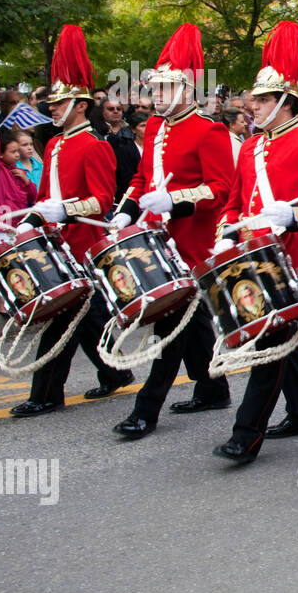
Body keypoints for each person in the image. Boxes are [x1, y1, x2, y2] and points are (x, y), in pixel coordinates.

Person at [208, 21, 298, 464]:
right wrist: (225, 232)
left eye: (263, 100)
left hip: (289, 260)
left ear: (286, 103)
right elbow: (234, 200)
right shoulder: (248, 148)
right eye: (254, 99)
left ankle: (246, 435)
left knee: (268, 347)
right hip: (249, 255)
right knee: (285, 344)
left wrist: (295, 216)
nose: (253, 106)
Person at [108, 24, 235, 440]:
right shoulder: (154, 129)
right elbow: (143, 180)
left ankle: (146, 410)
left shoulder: (208, 129)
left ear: (187, 90)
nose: (157, 96)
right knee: (189, 319)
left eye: (165, 88)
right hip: (156, 237)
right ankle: (213, 386)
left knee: (169, 323)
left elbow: (220, 190)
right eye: (155, 88)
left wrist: (176, 199)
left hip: (191, 242)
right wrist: (126, 211)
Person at [11, 25, 134, 416]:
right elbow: (46, 195)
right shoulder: (53, 143)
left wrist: (63, 211)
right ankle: (114, 372)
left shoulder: (95, 145)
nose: (51, 108)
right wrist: (31, 219)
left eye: (59, 102)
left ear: (80, 105)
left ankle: (46, 394)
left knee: (62, 318)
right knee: (84, 318)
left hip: (82, 242)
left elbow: (101, 201)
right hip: (57, 242)